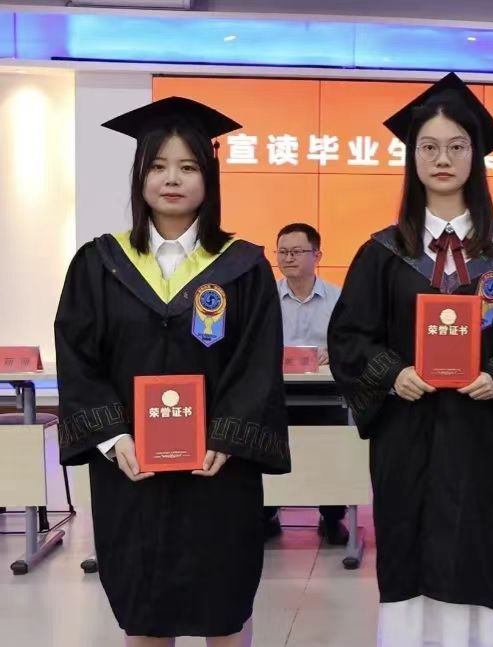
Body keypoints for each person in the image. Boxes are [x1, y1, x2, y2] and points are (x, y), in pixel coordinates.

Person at [326, 73, 493, 647]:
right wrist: (392, 374)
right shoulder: (383, 252)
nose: (442, 159)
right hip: (405, 435)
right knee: (406, 545)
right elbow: (350, 336)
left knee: (475, 546)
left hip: (478, 436)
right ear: (412, 158)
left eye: (457, 146)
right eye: (428, 147)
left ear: (475, 157)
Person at [55, 96, 289, 647]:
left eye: (188, 167)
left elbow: (257, 360)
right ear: (140, 176)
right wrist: (113, 438)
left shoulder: (243, 266)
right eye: (158, 166)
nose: (172, 180)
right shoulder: (99, 263)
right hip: (131, 470)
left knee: (223, 608)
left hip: (217, 471)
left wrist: (228, 436)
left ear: (209, 178)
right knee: (144, 610)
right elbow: (78, 356)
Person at [263, 222, 349, 545]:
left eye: (297, 251)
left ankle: (332, 518)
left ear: (318, 256)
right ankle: (267, 515)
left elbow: (352, 342)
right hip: (275, 392)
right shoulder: (266, 298)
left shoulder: (338, 298)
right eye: (283, 252)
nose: (288, 258)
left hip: (326, 393)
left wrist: (334, 352)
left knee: (331, 448)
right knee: (267, 443)